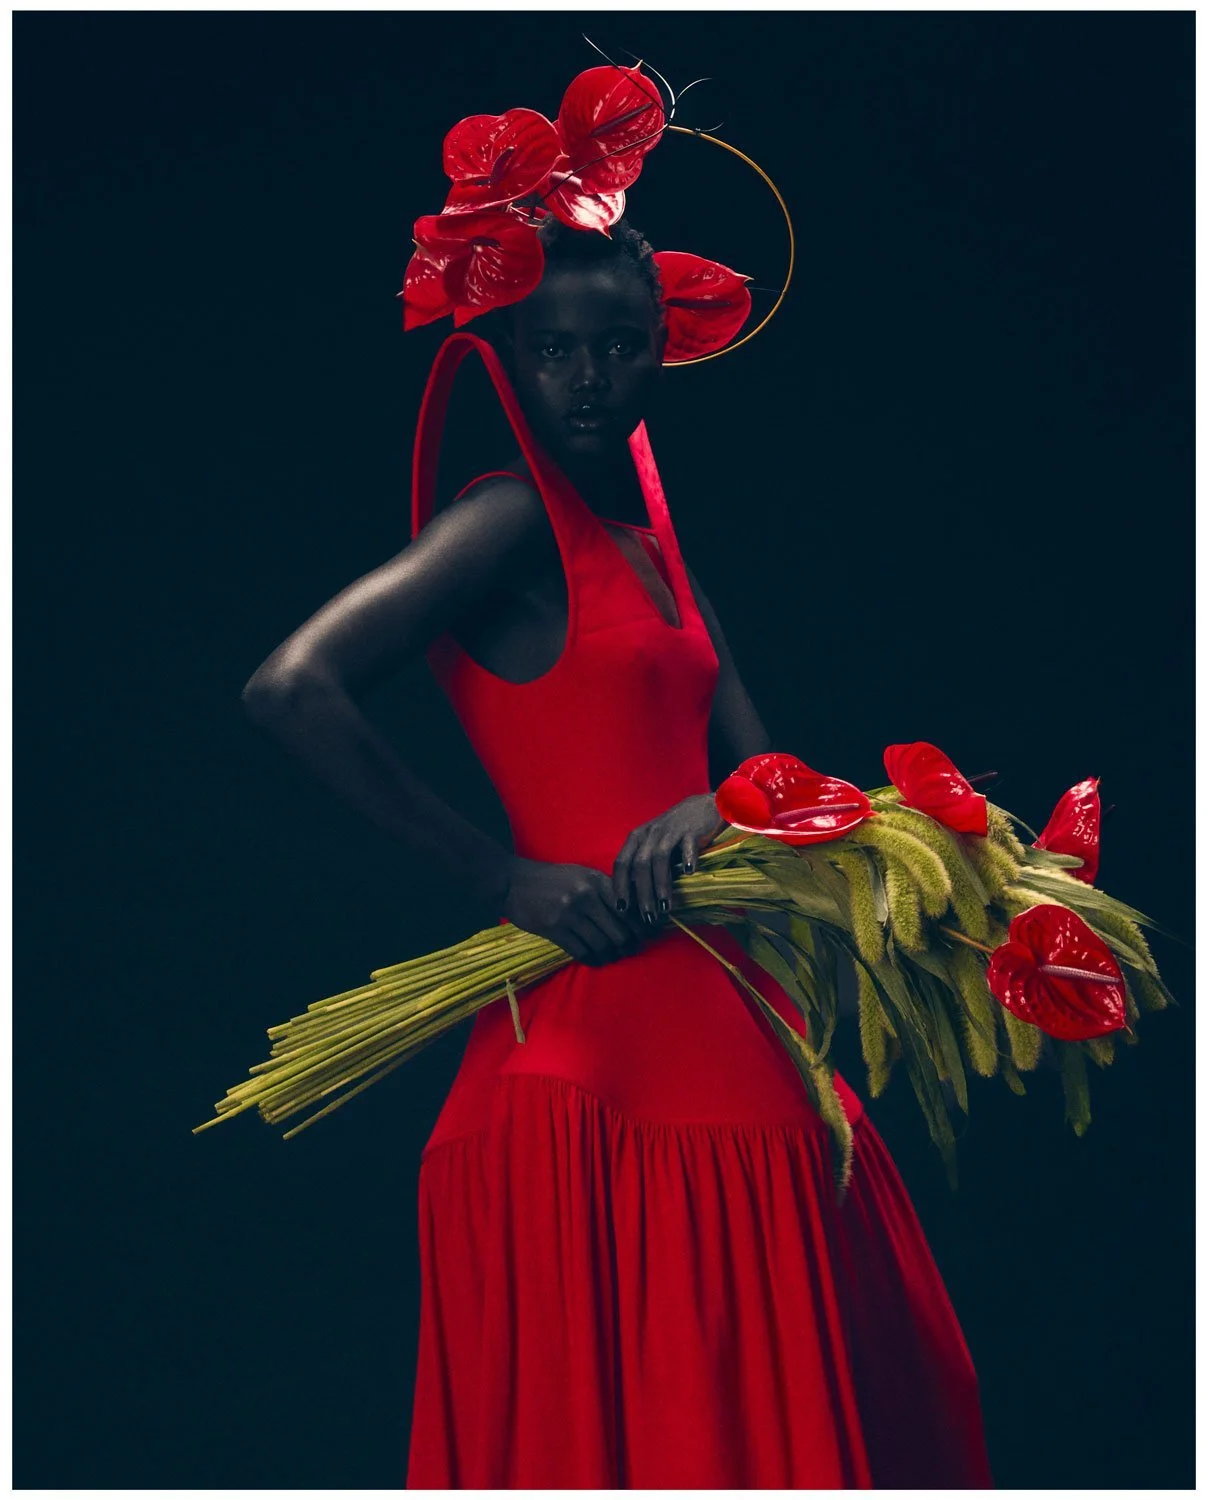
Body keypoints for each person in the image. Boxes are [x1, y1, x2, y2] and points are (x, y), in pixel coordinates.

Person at [241, 212, 995, 1486]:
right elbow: (289, 687)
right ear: (508, 358)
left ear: (661, 349)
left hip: (726, 1023)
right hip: (580, 1058)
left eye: (617, 345)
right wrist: (501, 877)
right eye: (552, 349)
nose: (585, 377)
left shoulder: (661, 559)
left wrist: (726, 804)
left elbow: (775, 782)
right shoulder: (502, 522)